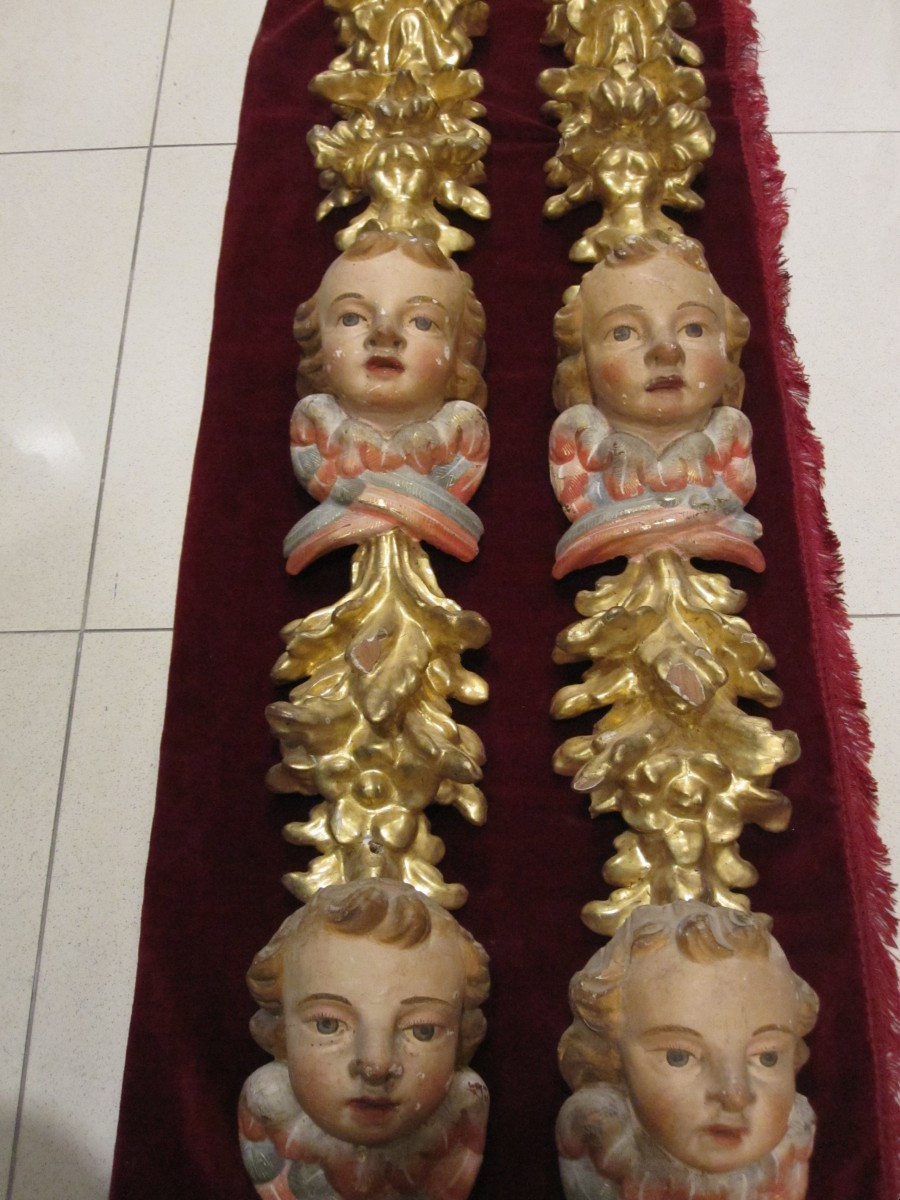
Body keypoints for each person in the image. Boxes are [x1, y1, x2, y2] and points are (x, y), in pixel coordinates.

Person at [239, 880, 490, 1200]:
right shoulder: (270, 1108)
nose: (376, 1064)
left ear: (460, 1039)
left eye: (422, 1030)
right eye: (328, 1025)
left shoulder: (460, 1109)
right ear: (281, 1032)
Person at [557, 902, 818, 1200]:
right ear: (613, 1061)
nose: (734, 1094)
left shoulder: (786, 1161)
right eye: (678, 1056)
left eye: (767, 1057)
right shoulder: (605, 1152)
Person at [549, 234, 764, 575]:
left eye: (693, 329)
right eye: (623, 333)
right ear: (583, 366)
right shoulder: (583, 445)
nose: (667, 349)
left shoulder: (730, 438)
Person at [284, 232, 489, 574]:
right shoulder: (314, 429)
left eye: (422, 321)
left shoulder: (460, 436)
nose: (384, 332)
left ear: (459, 359)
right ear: (317, 346)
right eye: (352, 317)